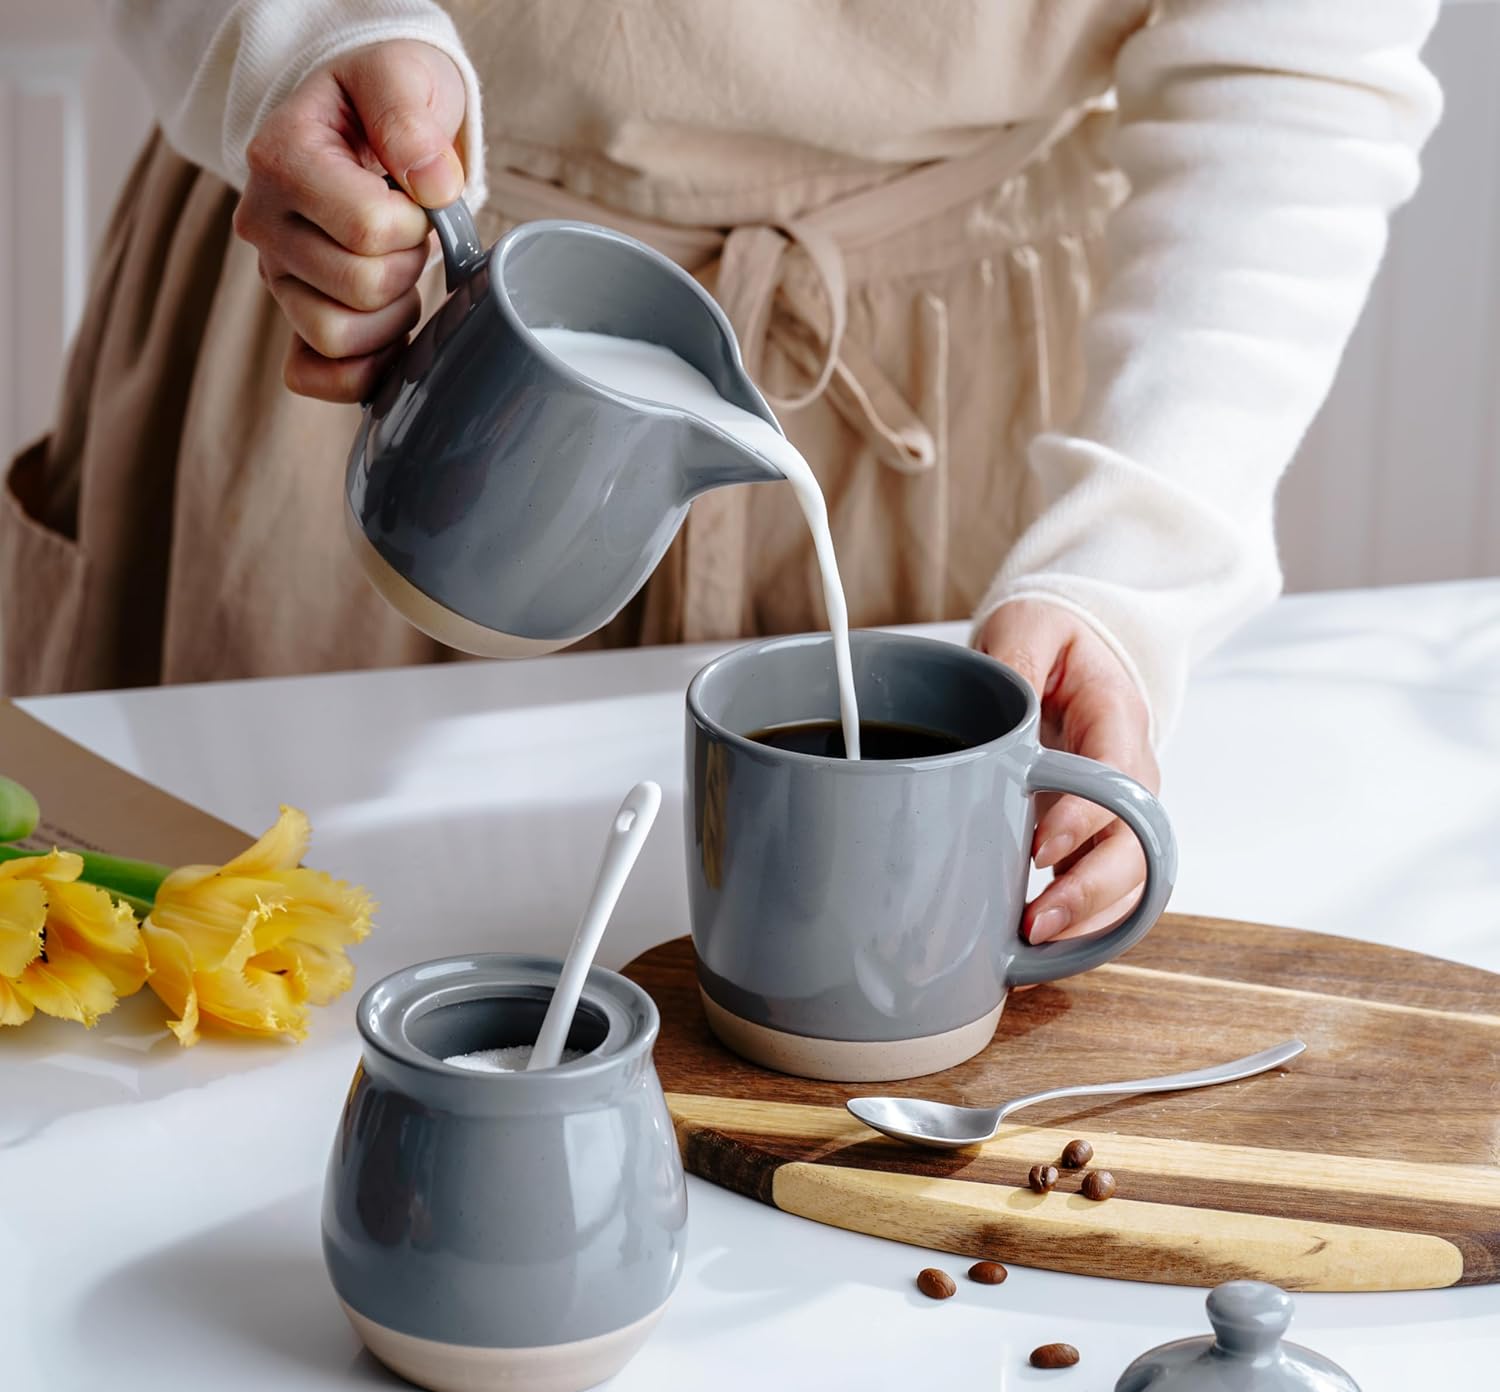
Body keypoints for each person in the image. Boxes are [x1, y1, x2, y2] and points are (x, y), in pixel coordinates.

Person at [0, 1, 1441, 948]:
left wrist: (1125, 572)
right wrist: (296, 37)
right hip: (385, 297)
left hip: (952, 384)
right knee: (221, 992)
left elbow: (1296, 64)